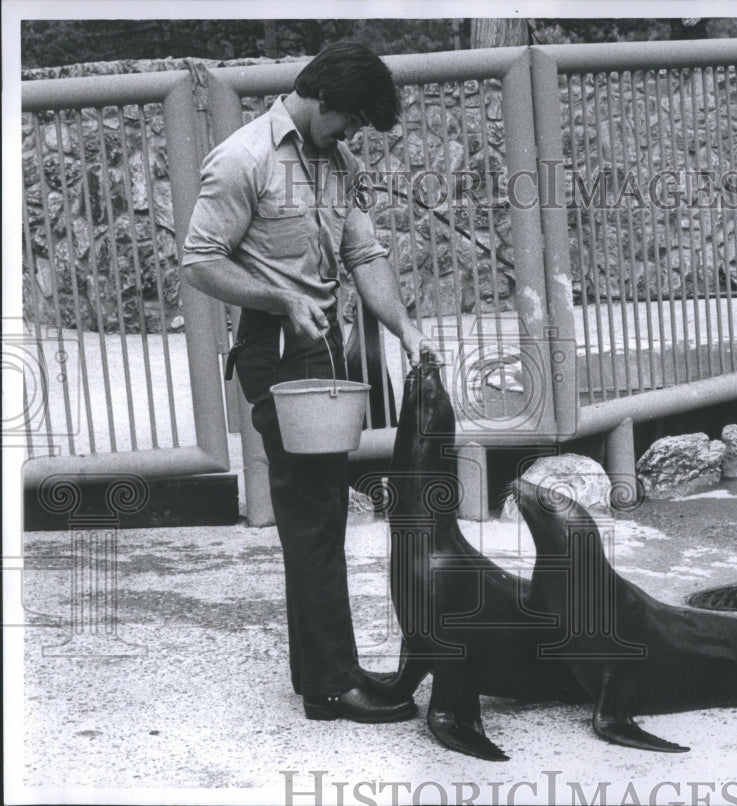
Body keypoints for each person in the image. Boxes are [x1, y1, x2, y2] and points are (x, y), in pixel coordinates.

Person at [182, 41, 441, 723]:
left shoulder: (339, 162)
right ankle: (330, 683)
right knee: (313, 516)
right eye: (350, 119)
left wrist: (407, 328)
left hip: (320, 346)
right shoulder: (244, 159)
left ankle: (331, 676)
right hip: (274, 347)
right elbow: (200, 261)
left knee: (325, 509)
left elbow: (364, 252)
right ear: (322, 97)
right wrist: (279, 300)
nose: (353, 134)